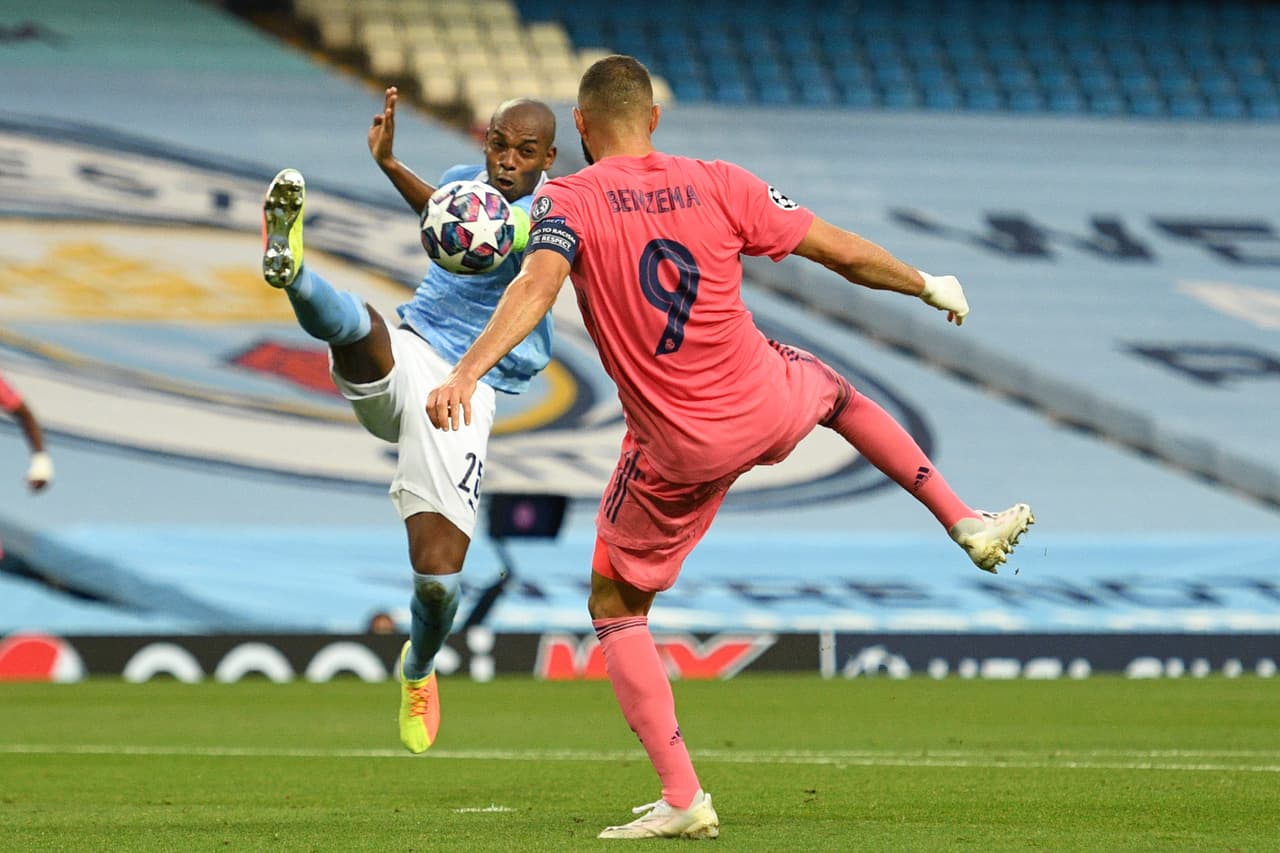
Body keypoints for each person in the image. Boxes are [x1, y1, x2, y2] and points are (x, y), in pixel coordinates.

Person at [426, 55, 1035, 839]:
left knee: (615, 605)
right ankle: (961, 517)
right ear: (654, 120)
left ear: (578, 127)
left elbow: (536, 286)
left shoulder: (568, 200)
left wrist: (467, 372)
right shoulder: (720, 179)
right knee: (836, 391)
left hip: (678, 444)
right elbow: (836, 250)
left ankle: (684, 797)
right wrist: (925, 281)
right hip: (767, 401)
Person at [260, 86, 557, 754]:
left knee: (436, 578)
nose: (507, 161)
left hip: (470, 383)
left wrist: (486, 213)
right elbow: (451, 214)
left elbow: (507, 231)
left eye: (525, 151)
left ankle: (418, 667)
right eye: (498, 145)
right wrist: (390, 163)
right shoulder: (460, 184)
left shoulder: (554, 211)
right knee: (359, 327)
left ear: (550, 158)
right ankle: (293, 271)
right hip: (416, 344)